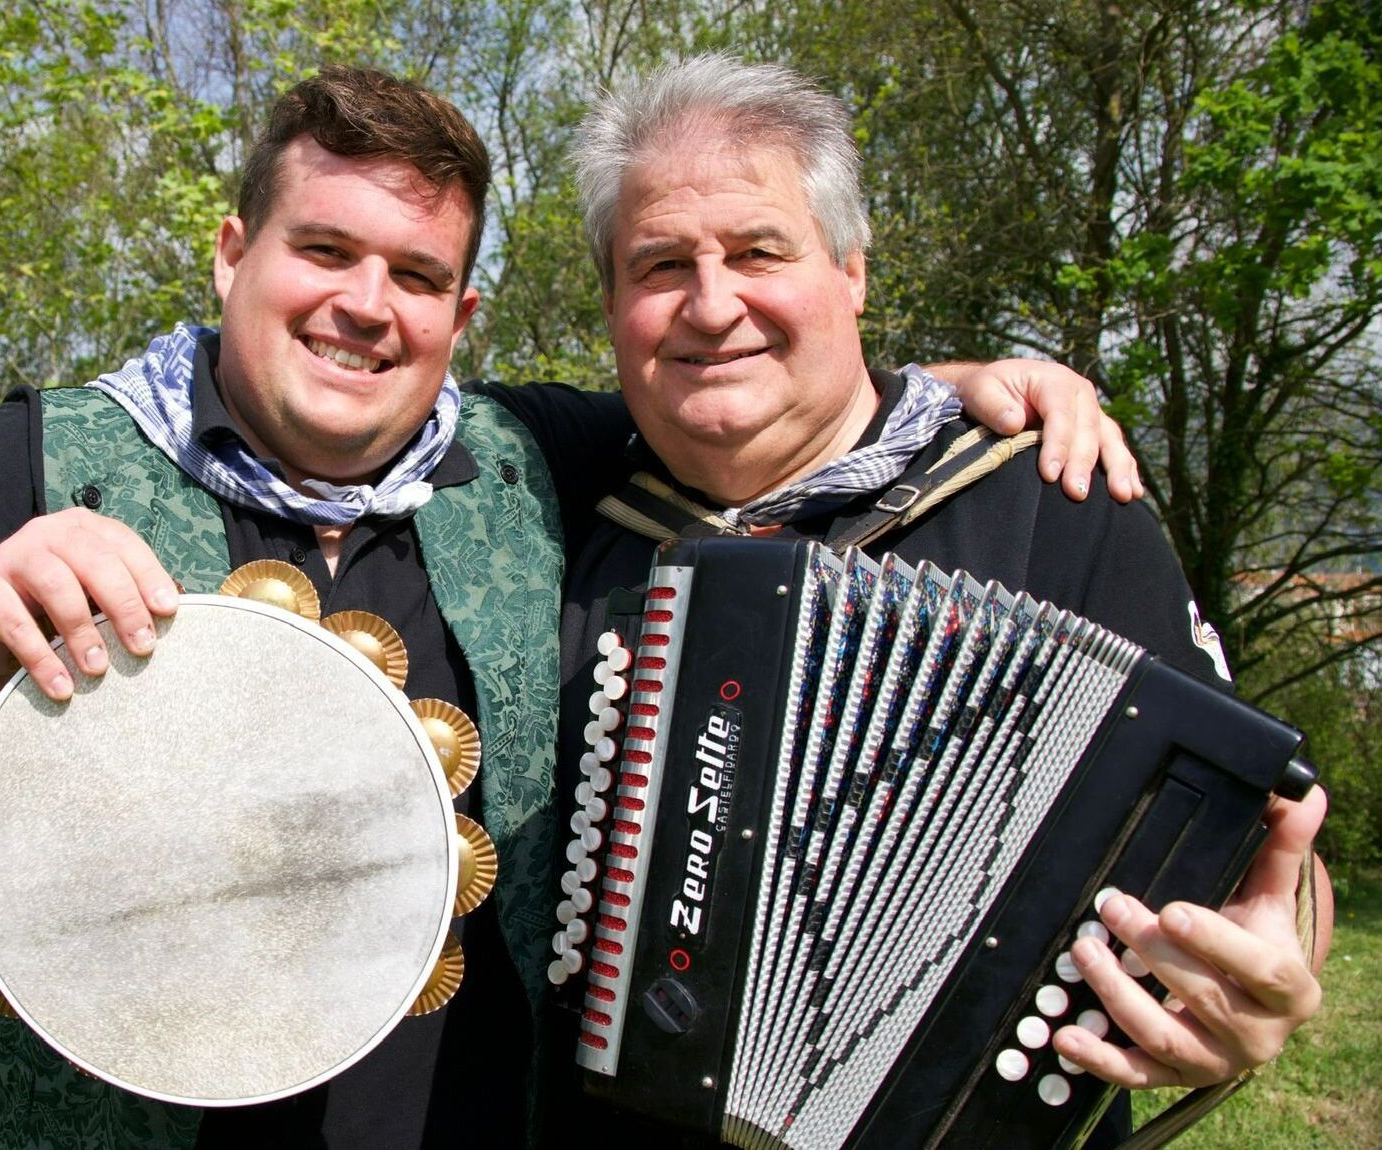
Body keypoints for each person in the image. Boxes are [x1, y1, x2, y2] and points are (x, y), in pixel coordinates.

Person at [0, 66, 1135, 1149]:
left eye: (417, 277)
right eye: (324, 249)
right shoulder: (42, 456)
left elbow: (752, 381)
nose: (365, 306)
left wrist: (960, 385)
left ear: (464, 309)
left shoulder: (537, 457)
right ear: (232, 251)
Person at [510, 54, 1331, 1146]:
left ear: (850, 268)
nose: (713, 304)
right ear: (611, 299)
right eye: (660, 264)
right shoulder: (539, 500)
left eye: (761, 251)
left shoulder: (1057, 499)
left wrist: (1270, 954)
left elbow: (1252, 839)